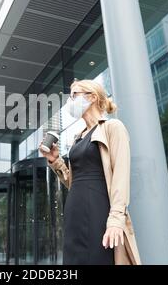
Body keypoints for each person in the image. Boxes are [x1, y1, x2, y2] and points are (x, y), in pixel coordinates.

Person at [39, 79, 141, 265]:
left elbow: (120, 175)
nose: (70, 101)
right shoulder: (79, 137)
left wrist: (116, 218)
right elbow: (74, 180)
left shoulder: (112, 127)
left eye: (74, 95)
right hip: (74, 209)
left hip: (98, 208)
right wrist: (56, 161)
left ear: (93, 97)